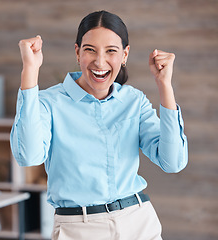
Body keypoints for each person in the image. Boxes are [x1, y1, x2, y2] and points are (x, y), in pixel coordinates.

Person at [10, 10, 188, 240]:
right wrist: (30, 71)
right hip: (78, 228)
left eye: (111, 51)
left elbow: (173, 162)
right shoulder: (49, 102)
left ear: (125, 55)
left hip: (139, 222)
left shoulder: (134, 101)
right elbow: (29, 157)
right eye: (90, 50)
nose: (100, 62)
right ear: (77, 52)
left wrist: (165, 86)